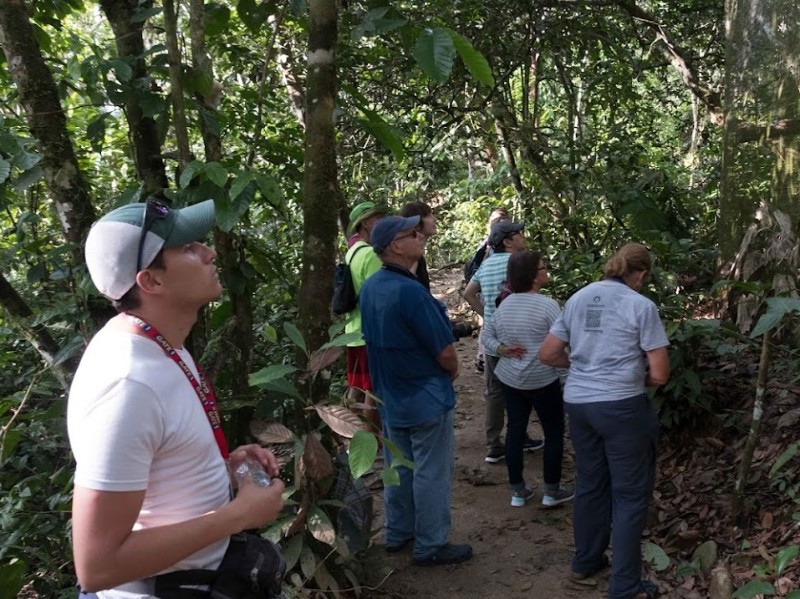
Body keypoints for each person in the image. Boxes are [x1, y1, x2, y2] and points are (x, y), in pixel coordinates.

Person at [68, 198, 285, 598]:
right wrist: (237, 516)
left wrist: (218, 466)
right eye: (187, 248)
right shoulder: (127, 385)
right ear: (150, 281)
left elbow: (159, 463)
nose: (209, 252)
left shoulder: (160, 342)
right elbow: (97, 566)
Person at [539, 243, 670, 599]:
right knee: (629, 495)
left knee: (591, 483)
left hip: (579, 405)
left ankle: (586, 560)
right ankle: (625, 585)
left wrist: (584, 369)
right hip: (622, 408)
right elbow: (659, 373)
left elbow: (548, 353)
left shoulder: (579, 298)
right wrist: (624, 378)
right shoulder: (641, 306)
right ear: (640, 274)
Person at [360, 215, 472, 567]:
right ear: (395, 245)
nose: (422, 238)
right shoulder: (410, 291)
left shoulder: (373, 287)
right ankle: (430, 544)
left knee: (399, 466)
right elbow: (445, 353)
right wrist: (452, 370)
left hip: (391, 395)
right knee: (431, 472)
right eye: (413, 234)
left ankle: (399, 533)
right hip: (424, 396)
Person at [482, 250, 574, 508]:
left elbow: (487, 338)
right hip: (544, 379)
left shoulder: (504, 304)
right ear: (533, 277)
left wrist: (502, 350)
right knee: (554, 432)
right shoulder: (548, 305)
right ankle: (552, 490)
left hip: (512, 379)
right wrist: (568, 377)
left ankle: (517, 491)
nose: (546, 271)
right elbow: (562, 345)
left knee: (515, 430)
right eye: (543, 267)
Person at [462, 220, 544, 463]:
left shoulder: (485, 265)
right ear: (507, 241)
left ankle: (493, 444)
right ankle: (521, 437)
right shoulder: (519, 263)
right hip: (518, 334)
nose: (523, 236)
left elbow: (468, 293)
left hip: (493, 336)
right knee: (522, 389)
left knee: (495, 391)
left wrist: (486, 315)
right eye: (519, 234)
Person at [343, 201, 388, 432]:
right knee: (371, 390)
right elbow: (379, 294)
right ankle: (370, 439)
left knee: (356, 387)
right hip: (368, 331)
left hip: (352, 331)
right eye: (378, 219)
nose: (382, 223)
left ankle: (353, 435)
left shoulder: (352, 251)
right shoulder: (369, 254)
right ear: (366, 224)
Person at [466, 208, 509, 373]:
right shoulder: (487, 245)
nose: (501, 222)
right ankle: (483, 357)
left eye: (504, 219)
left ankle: (484, 358)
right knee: (488, 325)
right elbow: (477, 267)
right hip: (488, 292)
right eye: (497, 220)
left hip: (492, 294)